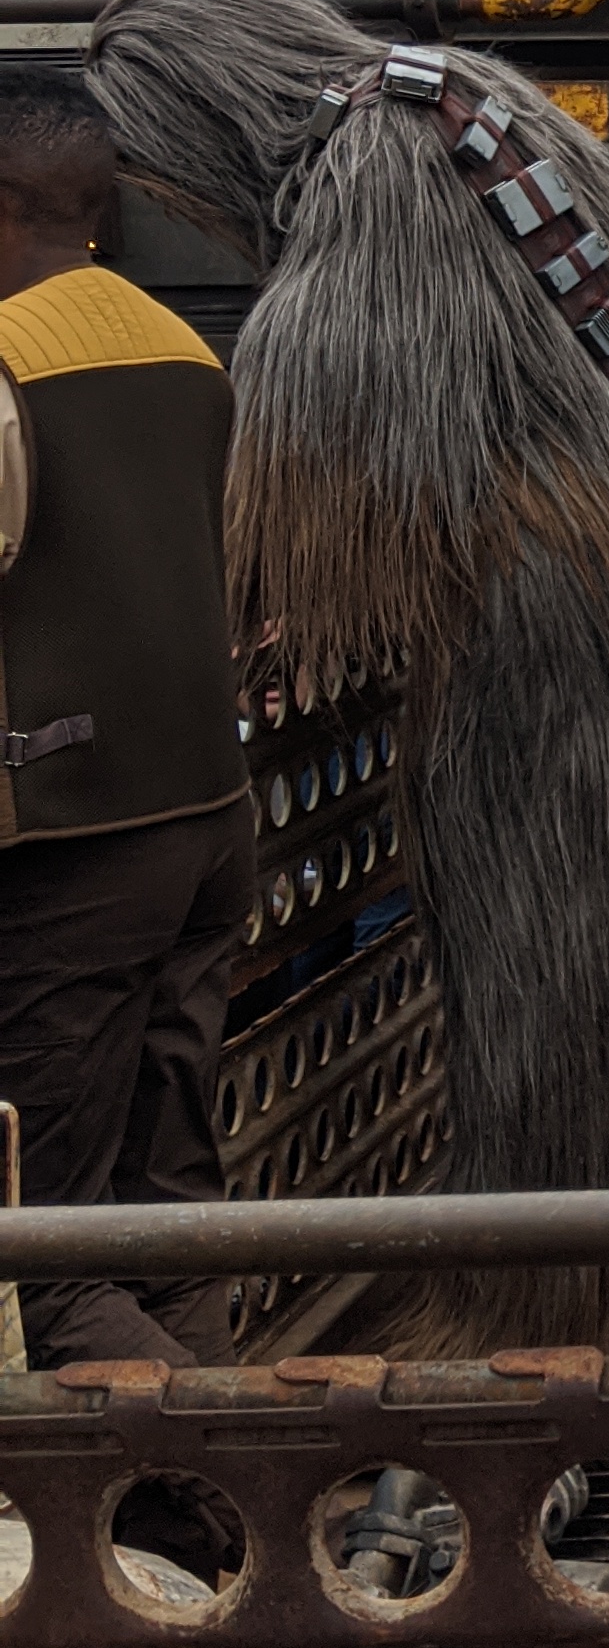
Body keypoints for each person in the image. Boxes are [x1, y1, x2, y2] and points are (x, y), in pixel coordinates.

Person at [0, 69, 250, 1369]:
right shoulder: (187, 349)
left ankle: (239, 1481)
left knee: (46, 1264)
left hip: (71, 849)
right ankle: (218, 1475)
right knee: (167, 1222)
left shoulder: (5, 364)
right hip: (207, 826)